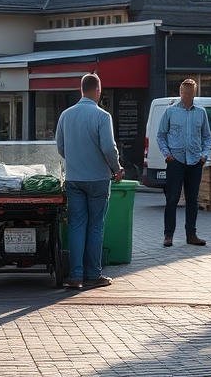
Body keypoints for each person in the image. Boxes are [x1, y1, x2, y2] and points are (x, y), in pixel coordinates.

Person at [55, 73, 124, 290]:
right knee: (95, 225)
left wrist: (75, 161)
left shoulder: (65, 115)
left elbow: (60, 147)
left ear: (81, 89)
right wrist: (117, 169)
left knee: (76, 225)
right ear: (98, 90)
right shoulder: (102, 116)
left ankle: (75, 276)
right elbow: (108, 148)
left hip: (74, 179)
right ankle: (93, 274)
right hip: (98, 180)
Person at [157, 78, 211, 247]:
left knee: (192, 200)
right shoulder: (171, 112)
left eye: (190, 93)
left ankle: (191, 235)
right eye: (184, 92)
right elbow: (161, 135)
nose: (187, 96)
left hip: (195, 162)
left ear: (194, 93)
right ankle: (168, 235)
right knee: (172, 199)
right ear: (180, 92)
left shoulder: (201, 113)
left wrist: (204, 155)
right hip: (176, 161)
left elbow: (207, 136)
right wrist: (167, 155)